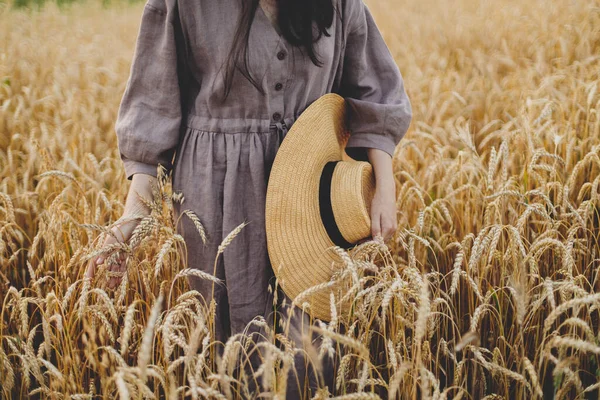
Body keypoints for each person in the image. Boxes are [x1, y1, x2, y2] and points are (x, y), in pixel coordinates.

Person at [86, 0, 412, 396]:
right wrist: (129, 226)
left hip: (312, 197)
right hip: (213, 204)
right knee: (223, 345)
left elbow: (374, 92)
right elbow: (153, 114)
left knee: (307, 352)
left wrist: (385, 187)